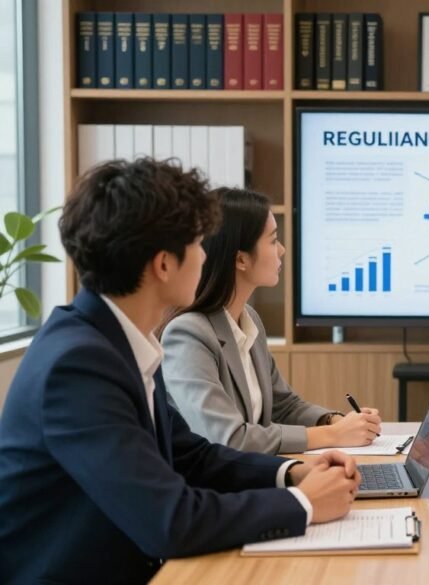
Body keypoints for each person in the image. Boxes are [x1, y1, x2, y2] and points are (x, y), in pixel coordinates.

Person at [0, 159, 361, 585]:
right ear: (163, 264)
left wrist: (291, 473)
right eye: (197, 244)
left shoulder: (118, 341)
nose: (207, 256)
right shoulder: (78, 366)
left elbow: (192, 455)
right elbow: (169, 521)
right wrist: (303, 503)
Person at [162, 188, 381, 455]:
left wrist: (334, 421)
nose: (282, 250)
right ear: (241, 259)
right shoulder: (187, 335)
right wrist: (333, 435)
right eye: (273, 240)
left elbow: (283, 406)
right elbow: (229, 439)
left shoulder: (248, 320)